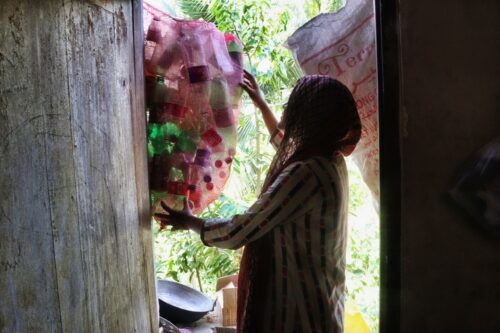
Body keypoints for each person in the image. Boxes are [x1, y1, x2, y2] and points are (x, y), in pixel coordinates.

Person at [155, 70, 362, 332]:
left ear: (312, 117)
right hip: (322, 308)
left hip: (298, 315)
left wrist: (191, 223)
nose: (287, 106)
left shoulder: (305, 174)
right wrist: (262, 104)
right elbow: (286, 147)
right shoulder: (330, 161)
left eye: (293, 103)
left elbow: (241, 230)